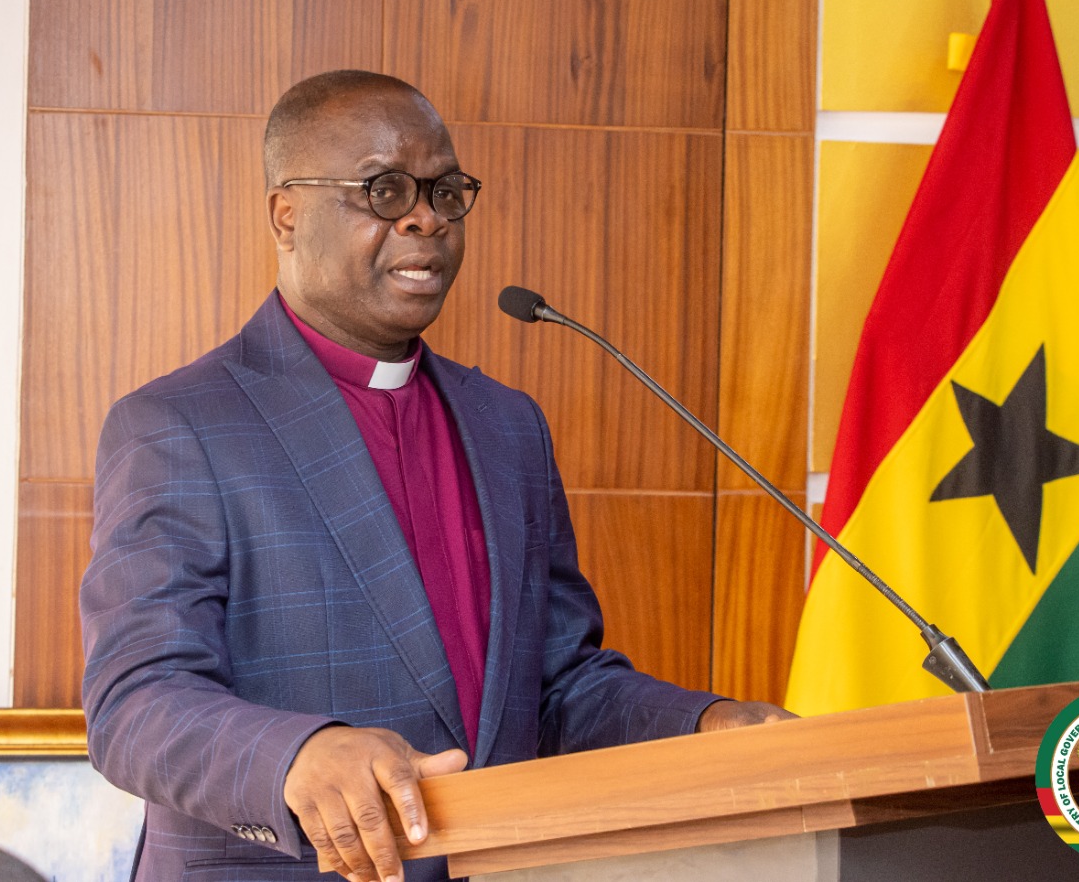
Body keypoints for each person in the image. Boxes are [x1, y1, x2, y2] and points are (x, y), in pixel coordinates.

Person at [81, 70, 792, 882]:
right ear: (286, 215)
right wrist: (297, 755)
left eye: (445, 192)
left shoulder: (507, 427)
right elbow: (135, 702)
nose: (425, 218)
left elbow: (556, 688)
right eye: (383, 190)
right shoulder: (179, 425)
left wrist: (708, 726)